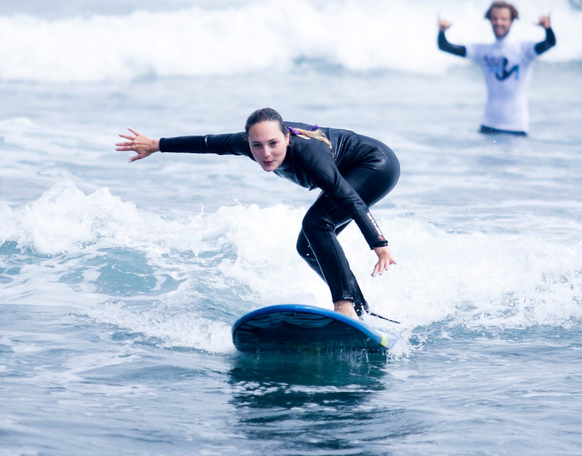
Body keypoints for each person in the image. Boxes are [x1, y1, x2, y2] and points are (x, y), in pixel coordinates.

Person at [116, 108, 399, 319]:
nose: (265, 153)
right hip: (354, 171)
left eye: (273, 144)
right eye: (257, 146)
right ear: (248, 142)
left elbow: (350, 200)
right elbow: (206, 143)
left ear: (287, 138)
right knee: (308, 245)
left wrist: (380, 245)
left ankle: (345, 307)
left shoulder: (312, 158)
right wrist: (157, 145)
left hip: (376, 165)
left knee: (317, 223)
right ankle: (361, 312)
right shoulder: (248, 145)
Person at [437, 0, 556, 135]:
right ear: (489, 20)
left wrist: (548, 29)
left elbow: (550, 43)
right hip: (488, 127)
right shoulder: (483, 51)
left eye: (503, 19)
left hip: (516, 128)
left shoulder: (524, 50)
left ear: (512, 21)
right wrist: (442, 32)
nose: (498, 22)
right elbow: (445, 46)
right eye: (494, 19)